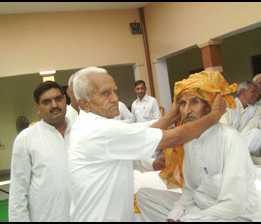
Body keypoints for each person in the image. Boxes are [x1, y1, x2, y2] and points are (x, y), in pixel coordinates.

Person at [68, 66, 226, 222]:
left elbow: (134, 135)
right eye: (105, 93)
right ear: (84, 104)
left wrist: (171, 117)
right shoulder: (101, 129)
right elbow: (174, 137)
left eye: (115, 91)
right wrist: (214, 116)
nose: (115, 99)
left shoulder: (89, 125)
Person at [136, 71, 259, 222]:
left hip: (231, 215)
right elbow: (189, 191)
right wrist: (174, 215)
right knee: (145, 196)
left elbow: (234, 204)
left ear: (208, 107)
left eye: (194, 102)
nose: (187, 111)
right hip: (198, 207)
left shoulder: (229, 139)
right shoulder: (188, 141)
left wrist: (189, 218)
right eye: (182, 104)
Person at [9, 81, 72, 222]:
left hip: (85, 215)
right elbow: (17, 192)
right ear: (37, 107)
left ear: (64, 100)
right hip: (49, 217)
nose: (54, 105)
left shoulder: (81, 131)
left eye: (58, 99)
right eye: (47, 101)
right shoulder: (26, 139)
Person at [219, 80, 261, 156]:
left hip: (243, 142)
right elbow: (224, 127)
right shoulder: (229, 105)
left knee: (257, 133)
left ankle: (237, 156)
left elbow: (250, 126)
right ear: (243, 92)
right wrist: (234, 141)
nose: (256, 95)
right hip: (228, 142)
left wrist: (238, 141)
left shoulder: (257, 109)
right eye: (253, 92)